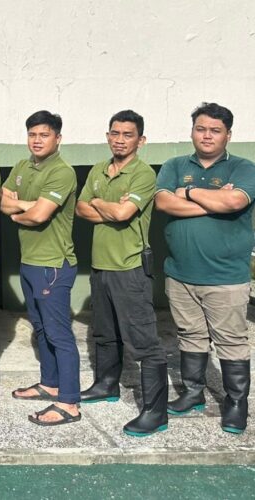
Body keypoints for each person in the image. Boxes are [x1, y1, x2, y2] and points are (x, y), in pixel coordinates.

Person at [155, 102, 255, 434]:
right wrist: (211, 202)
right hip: (181, 274)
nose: (207, 135)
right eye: (201, 128)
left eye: (215, 130)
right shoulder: (174, 164)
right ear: (192, 131)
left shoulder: (243, 168)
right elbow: (162, 202)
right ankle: (194, 393)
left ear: (228, 134)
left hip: (225, 277)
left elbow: (235, 202)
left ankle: (236, 403)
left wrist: (187, 192)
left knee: (231, 341)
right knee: (190, 335)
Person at [76, 110, 167, 437]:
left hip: (130, 268)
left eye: (127, 135)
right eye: (114, 133)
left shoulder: (143, 174)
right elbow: (80, 208)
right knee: (104, 332)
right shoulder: (99, 170)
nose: (119, 139)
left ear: (140, 140)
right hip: (101, 266)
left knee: (143, 341)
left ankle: (155, 412)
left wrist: (101, 204)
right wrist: (106, 205)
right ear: (107, 136)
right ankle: (106, 385)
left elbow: (124, 212)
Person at [1, 110, 81, 426]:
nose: (37, 140)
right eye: (32, 134)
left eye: (44, 134)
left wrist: (26, 210)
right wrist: (27, 207)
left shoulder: (62, 172)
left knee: (60, 334)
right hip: (30, 262)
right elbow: (3, 203)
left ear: (57, 138)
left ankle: (69, 402)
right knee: (41, 328)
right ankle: (50, 384)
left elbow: (38, 216)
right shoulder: (22, 167)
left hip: (53, 265)